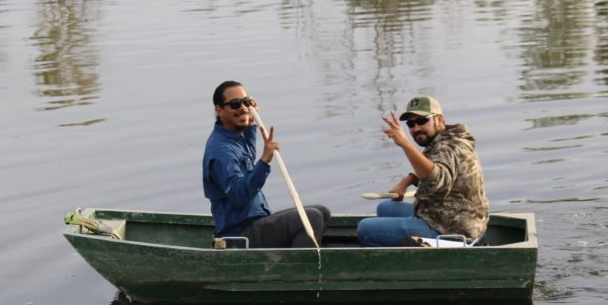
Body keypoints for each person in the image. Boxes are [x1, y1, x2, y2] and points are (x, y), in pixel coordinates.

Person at [202, 80, 330, 248]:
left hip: (255, 220)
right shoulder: (221, 152)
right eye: (235, 104)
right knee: (312, 218)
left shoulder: (234, 138)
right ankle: (302, 263)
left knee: (322, 212)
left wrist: (251, 122)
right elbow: (238, 195)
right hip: (239, 234)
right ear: (219, 110)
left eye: (246, 101)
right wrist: (264, 161)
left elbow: (247, 156)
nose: (243, 107)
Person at [357, 95, 489, 246]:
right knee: (385, 208)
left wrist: (406, 144)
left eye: (422, 121)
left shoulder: (449, 147)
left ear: (439, 119)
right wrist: (406, 181)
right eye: (411, 124)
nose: (416, 128)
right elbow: (432, 163)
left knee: (365, 229)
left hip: (452, 229)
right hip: (442, 214)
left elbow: (436, 179)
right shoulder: (444, 139)